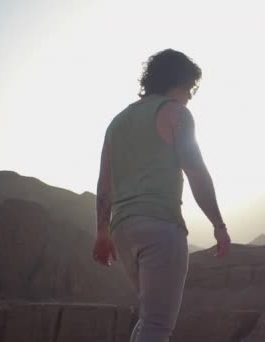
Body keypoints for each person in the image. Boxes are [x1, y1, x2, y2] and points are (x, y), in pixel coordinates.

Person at [91, 48, 231, 342]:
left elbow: (105, 185)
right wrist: (219, 225)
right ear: (177, 81)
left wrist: (102, 232)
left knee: (149, 320)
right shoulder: (176, 114)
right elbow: (196, 172)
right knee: (157, 326)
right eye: (190, 87)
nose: (191, 96)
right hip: (160, 225)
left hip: (123, 228)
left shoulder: (116, 123)